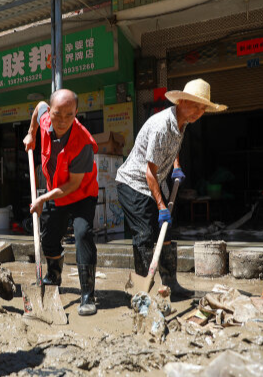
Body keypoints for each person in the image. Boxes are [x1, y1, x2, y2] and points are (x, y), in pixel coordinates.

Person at [115, 78, 227, 301]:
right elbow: (149, 173)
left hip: (154, 181)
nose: (199, 112)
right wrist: (161, 206)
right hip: (133, 183)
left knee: (165, 232)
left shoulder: (182, 122)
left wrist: (175, 166)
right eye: (195, 105)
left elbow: (173, 145)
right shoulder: (160, 126)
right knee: (145, 235)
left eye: (203, 108)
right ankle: (143, 291)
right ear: (182, 101)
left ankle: (171, 285)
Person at [23, 89, 99, 316]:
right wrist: (31, 134)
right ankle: (53, 275)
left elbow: (73, 185)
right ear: (52, 110)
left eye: (69, 115)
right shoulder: (46, 116)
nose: (63, 120)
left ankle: (87, 295)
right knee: (49, 236)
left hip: (81, 192)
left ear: (77, 112)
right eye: (58, 114)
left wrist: (43, 198)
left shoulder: (83, 142)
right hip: (55, 189)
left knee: (82, 232)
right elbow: (38, 106)